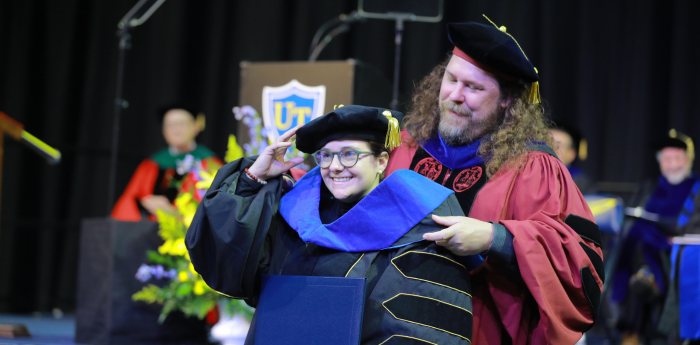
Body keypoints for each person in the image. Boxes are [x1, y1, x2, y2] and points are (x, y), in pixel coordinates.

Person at [383, 19, 604, 344]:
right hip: (388, 326)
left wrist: (496, 238)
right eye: (451, 79)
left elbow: (578, 260)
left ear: (506, 100)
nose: (455, 96)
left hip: (477, 330)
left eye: (473, 87)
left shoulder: (532, 168)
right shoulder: (404, 146)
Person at [186, 105, 477, 344]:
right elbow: (229, 267)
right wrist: (253, 178)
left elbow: (422, 328)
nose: (335, 166)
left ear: (381, 161)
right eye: (325, 155)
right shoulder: (296, 217)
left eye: (349, 154)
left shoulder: (417, 223)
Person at [612, 132, 698, 344]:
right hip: (644, 249)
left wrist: (676, 237)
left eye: (678, 158)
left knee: (640, 269)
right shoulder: (648, 188)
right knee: (638, 238)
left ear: (689, 160)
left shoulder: (696, 189)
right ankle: (646, 276)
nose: (673, 165)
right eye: (667, 159)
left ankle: (629, 335)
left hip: (676, 251)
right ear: (660, 163)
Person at [111, 104, 222, 221]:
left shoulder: (210, 163)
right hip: (147, 231)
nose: (176, 130)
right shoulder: (151, 164)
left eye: (181, 124)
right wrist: (145, 202)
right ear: (164, 130)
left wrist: (174, 213)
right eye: (170, 125)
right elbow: (128, 202)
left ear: (196, 126)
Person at [550, 124, 596, 194]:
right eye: (547, 144)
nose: (551, 149)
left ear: (572, 154)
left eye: (558, 146)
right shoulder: (532, 174)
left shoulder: (579, 182)